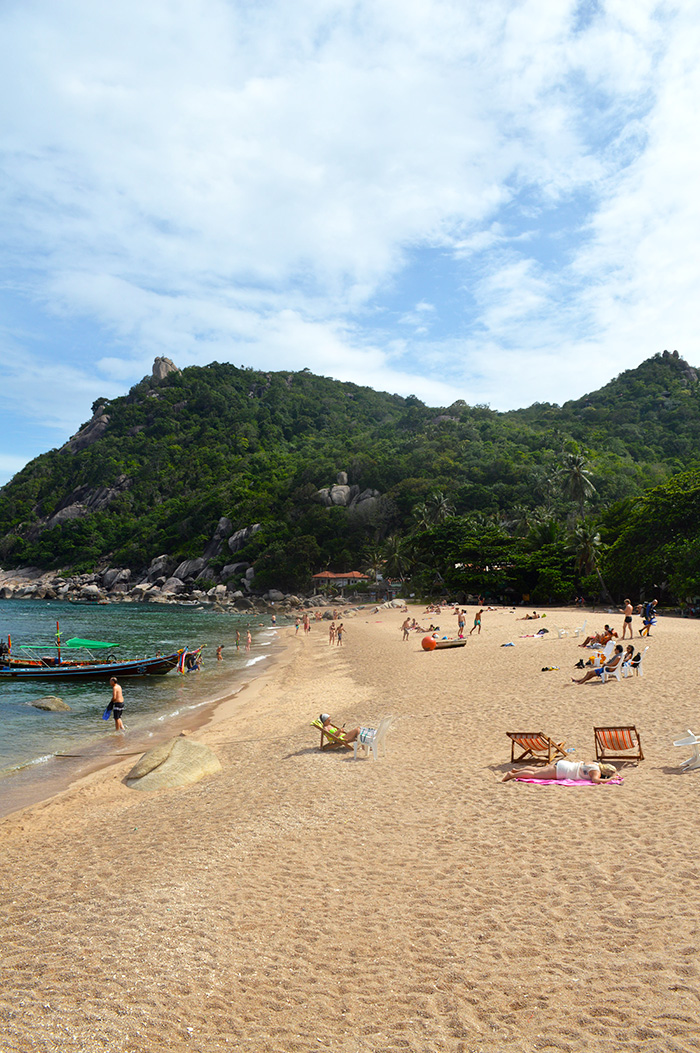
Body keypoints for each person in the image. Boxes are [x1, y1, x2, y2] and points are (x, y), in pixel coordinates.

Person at [503, 759, 617, 783]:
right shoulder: (596, 771)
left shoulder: (595, 764)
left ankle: (517, 770)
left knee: (538, 770)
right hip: (563, 771)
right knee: (535, 774)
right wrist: (610, 779)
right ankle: (512, 775)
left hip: (564, 764)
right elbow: (595, 780)